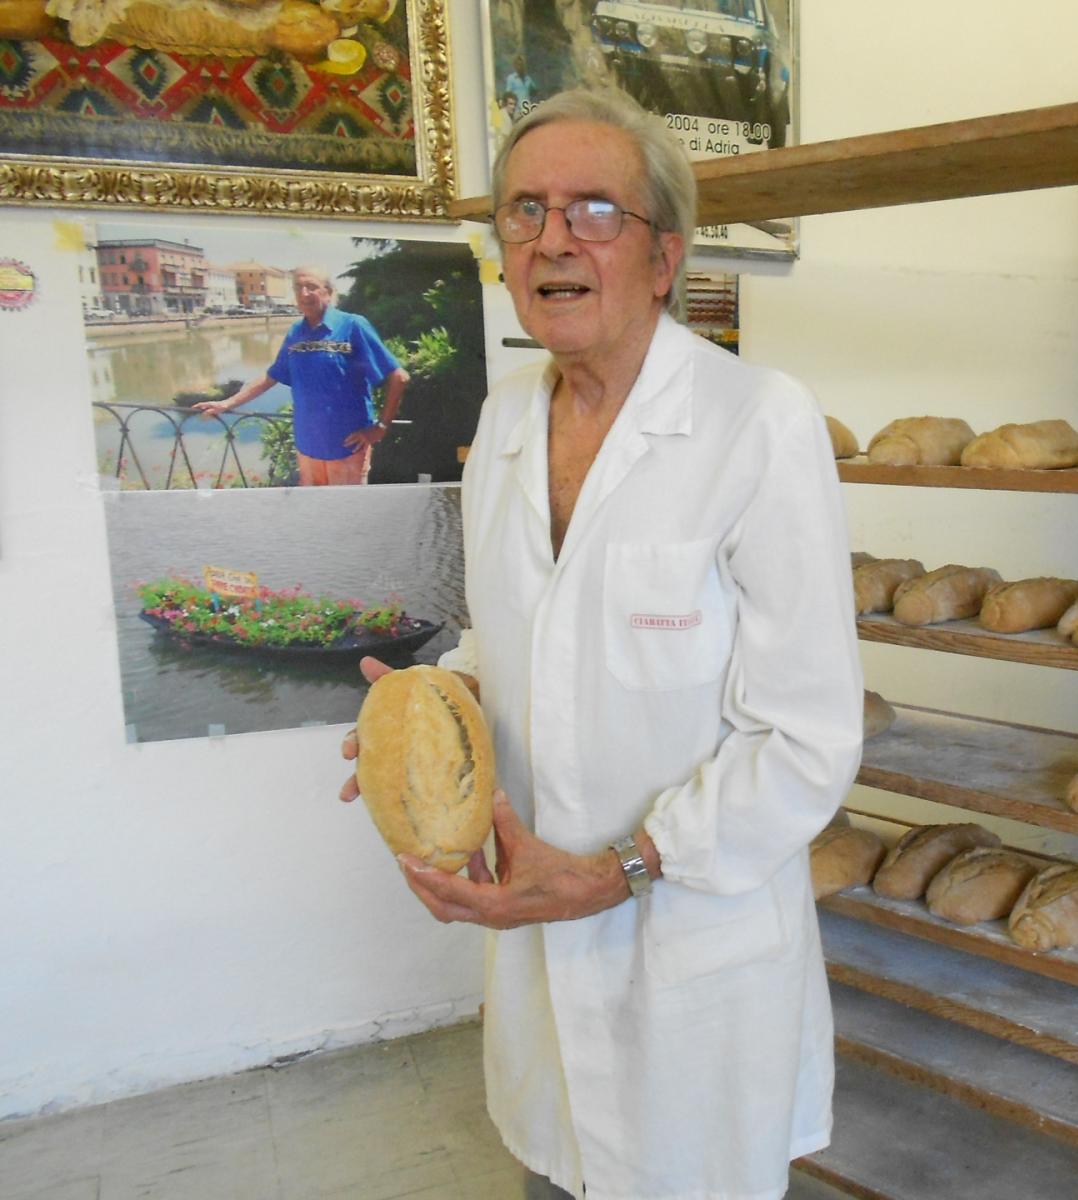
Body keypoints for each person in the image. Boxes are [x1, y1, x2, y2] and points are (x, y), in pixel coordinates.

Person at [339, 88, 861, 1199]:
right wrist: (430, 711)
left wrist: (621, 871)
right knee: (557, 1174)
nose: (552, 240)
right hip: (540, 941)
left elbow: (809, 738)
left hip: (691, 950)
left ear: (664, 255)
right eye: (523, 212)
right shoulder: (507, 429)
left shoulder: (755, 424)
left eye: (593, 211)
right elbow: (510, 637)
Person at [194, 266, 409, 486]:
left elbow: (399, 377)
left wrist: (380, 428)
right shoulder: (296, 332)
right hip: (307, 448)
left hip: (347, 450)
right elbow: (271, 376)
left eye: (312, 287)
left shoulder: (352, 326)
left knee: (345, 516)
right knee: (314, 513)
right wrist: (226, 403)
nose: (304, 293)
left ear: (328, 291)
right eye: (299, 287)